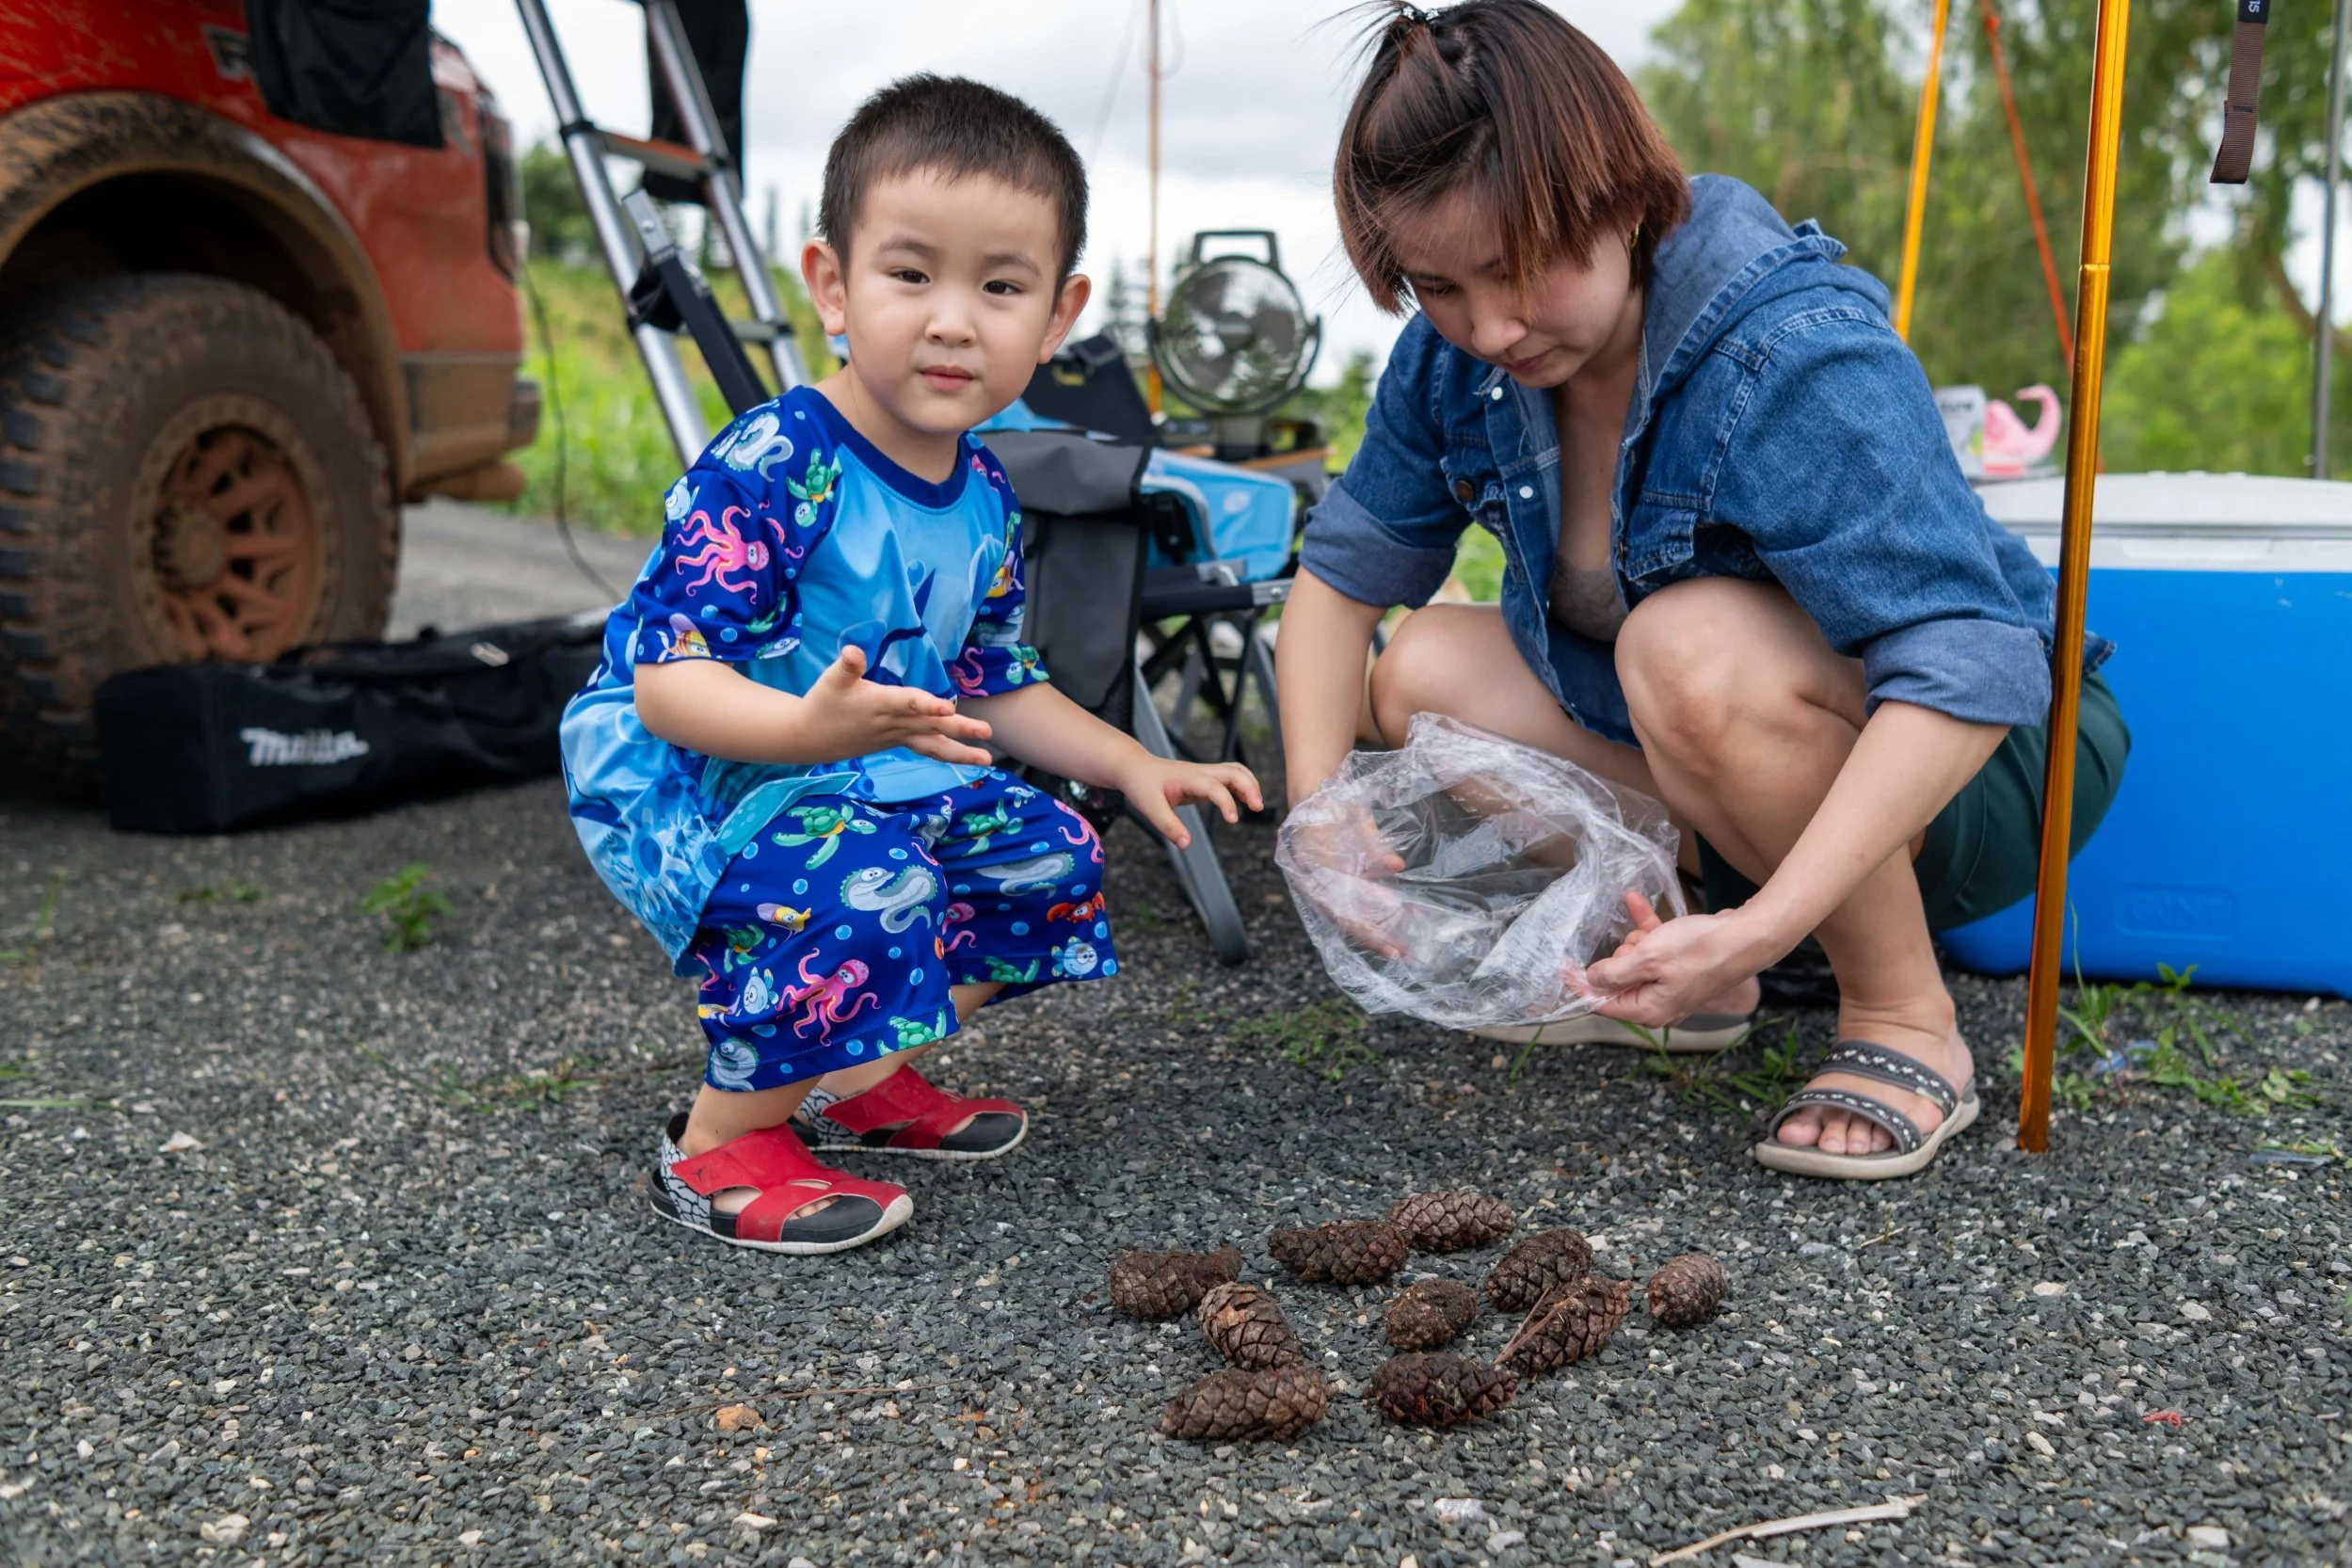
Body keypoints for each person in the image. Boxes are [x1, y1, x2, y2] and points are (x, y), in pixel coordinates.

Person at [1277, 0, 2128, 1179]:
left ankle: (1899, 1009)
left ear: (1622, 198)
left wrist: (1767, 927)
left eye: (1519, 270)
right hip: (1723, 757)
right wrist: (1319, 814)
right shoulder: (1454, 367)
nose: (1492, 326)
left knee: (1685, 647)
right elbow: (1338, 581)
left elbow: (1968, 662)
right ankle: (1682, 961)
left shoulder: (1792, 349)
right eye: (1441, 286)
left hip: (1987, 761)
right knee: (1421, 670)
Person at [561, 75, 1260, 1253]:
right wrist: (806, 732)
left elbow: (995, 681)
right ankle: (716, 1142)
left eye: (1000, 287)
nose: (953, 321)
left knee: (1046, 856)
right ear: (833, 285)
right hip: (694, 770)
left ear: (1058, 316)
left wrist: (1134, 762)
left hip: (858, 763)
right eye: (910, 274)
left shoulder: (984, 488)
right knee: (868, 888)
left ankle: (849, 1068)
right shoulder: (776, 461)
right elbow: (665, 683)